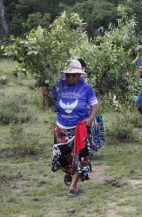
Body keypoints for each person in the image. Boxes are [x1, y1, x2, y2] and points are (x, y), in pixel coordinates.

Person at [49, 59, 98, 197]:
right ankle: (69, 175)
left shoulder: (86, 88)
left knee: (81, 157)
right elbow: (49, 100)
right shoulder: (59, 85)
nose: (71, 78)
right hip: (61, 128)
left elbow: (94, 106)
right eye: (68, 75)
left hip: (79, 129)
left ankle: (73, 186)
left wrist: (90, 119)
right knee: (63, 157)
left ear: (80, 75)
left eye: (74, 75)